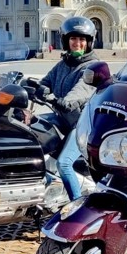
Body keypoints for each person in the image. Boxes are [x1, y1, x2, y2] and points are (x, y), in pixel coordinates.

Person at [38, 16, 98, 200]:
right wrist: (34, 88)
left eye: (82, 39)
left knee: (63, 164)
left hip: (81, 125)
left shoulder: (93, 66)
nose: (77, 43)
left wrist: (64, 100)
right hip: (63, 118)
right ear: (66, 40)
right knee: (29, 132)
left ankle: (76, 208)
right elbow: (45, 82)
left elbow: (81, 90)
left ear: (89, 42)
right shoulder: (63, 64)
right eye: (73, 39)